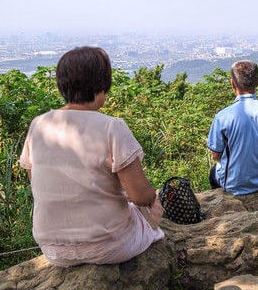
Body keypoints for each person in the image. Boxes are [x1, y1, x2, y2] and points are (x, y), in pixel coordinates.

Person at [18, 46, 164, 266]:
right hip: (109, 246)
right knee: (149, 209)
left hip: (53, 250)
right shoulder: (112, 127)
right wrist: (154, 196)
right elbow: (141, 196)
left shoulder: (38, 125)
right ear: (102, 85)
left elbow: (35, 180)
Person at [206, 60, 258, 195]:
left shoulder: (222, 116)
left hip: (233, 184)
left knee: (213, 173)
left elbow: (216, 155)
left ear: (232, 83)